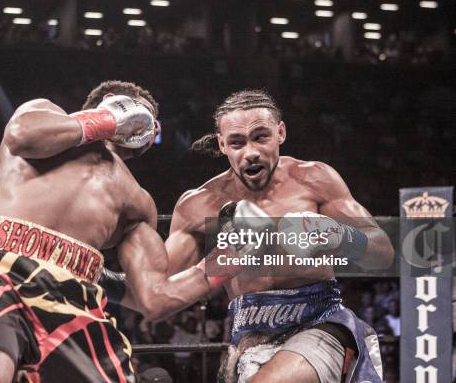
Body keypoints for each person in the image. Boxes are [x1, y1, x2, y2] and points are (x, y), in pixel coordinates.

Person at [0, 80, 245, 383]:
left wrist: (231, 259)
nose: (151, 130)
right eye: (147, 116)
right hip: (2, 271)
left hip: (78, 299)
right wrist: (109, 120)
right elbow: (21, 136)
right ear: (111, 100)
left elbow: (155, 298)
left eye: (155, 127)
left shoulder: (138, 201)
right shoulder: (43, 113)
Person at [156, 89, 394, 383]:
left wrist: (338, 235)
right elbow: (160, 293)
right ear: (222, 145)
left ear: (280, 132)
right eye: (237, 142)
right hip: (250, 339)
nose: (251, 152)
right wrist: (226, 259)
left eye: (260, 137)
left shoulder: (314, 179)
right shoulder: (198, 205)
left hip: (320, 324)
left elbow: (383, 251)